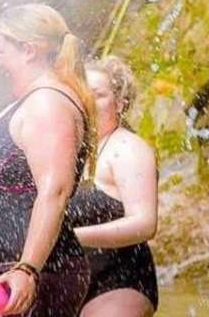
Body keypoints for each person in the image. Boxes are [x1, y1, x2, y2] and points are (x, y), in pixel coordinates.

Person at [0, 3, 98, 316]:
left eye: (2, 51)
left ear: (28, 50)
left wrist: (27, 268)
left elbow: (55, 191)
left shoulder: (48, 104)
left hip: (32, 274)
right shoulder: (33, 98)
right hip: (8, 270)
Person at [69, 56, 158, 316]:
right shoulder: (70, 150)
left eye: (98, 95)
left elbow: (144, 223)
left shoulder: (127, 148)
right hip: (70, 279)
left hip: (119, 279)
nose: (87, 101)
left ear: (120, 103)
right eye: (81, 92)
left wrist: (72, 239)